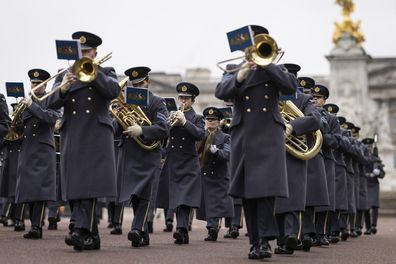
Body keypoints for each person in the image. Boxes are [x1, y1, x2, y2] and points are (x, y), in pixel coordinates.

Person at [215, 25, 297, 259]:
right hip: (245, 135)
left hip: (269, 135)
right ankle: (255, 241)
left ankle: (264, 241)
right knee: (249, 192)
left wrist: (268, 63)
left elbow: (290, 86)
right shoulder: (234, 70)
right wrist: (240, 75)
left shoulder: (275, 68)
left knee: (266, 190)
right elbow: (221, 92)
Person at [47, 31, 120, 250]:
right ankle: (91, 236)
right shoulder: (64, 74)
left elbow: (113, 91)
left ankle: (80, 230)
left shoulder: (106, 71)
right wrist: (64, 88)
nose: (83, 55)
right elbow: (49, 103)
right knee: (75, 185)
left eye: (87, 51)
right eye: (80, 52)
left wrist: (93, 71)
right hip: (74, 134)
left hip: (96, 135)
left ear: (95, 52)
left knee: (89, 185)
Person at [114, 66, 169, 247]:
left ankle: (136, 229)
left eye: (141, 83)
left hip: (148, 154)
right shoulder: (125, 103)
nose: (139, 86)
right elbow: (114, 131)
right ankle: (143, 234)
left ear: (148, 82)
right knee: (135, 195)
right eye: (135, 84)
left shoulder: (157, 102)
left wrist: (142, 130)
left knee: (145, 194)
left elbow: (163, 128)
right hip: (130, 154)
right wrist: (116, 115)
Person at [274, 69, 321, 255]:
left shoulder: (304, 99)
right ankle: (280, 240)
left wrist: (293, 126)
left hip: (295, 153)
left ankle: (292, 236)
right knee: (277, 197)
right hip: (274, 153)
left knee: (294, 196)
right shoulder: (272, 96)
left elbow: (315, 119)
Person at [158, 82, 205, 245]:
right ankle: (182, 230)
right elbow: (163, 136)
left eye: (186, 98)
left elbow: (200, 135)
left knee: (184, 197)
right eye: (181, 98)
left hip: (188, 160)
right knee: (176, 196)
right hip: (173, 160)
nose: (183, 101)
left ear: (192, 100)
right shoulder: (172, 115)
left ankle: (182, 228)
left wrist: (185, 122)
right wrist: (167, 123)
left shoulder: (198, 118)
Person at [15, 68, 60, 239]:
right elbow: (19, 128)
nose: (34, 86)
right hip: (28, 148)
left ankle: (36, 226)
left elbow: (50, 118)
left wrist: (31, 106)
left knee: (40, 188)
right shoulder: (27, 101)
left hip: (42, 148)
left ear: (45, 84)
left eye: (37, 83)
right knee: (29, 187)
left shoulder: (50, 99)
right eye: (32, 83)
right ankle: (30, 224)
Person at [196, 107, 233, 242]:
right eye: (208, 119)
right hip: (204, 175)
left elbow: (227, 154)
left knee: (216, 204)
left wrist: (216, 152)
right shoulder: (201, 135)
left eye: (213, 120)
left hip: (218, 175)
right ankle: (211, 226)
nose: (210, 122)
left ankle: (213, 228)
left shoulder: (225, 137)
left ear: (219, 122)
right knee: (207, 204)